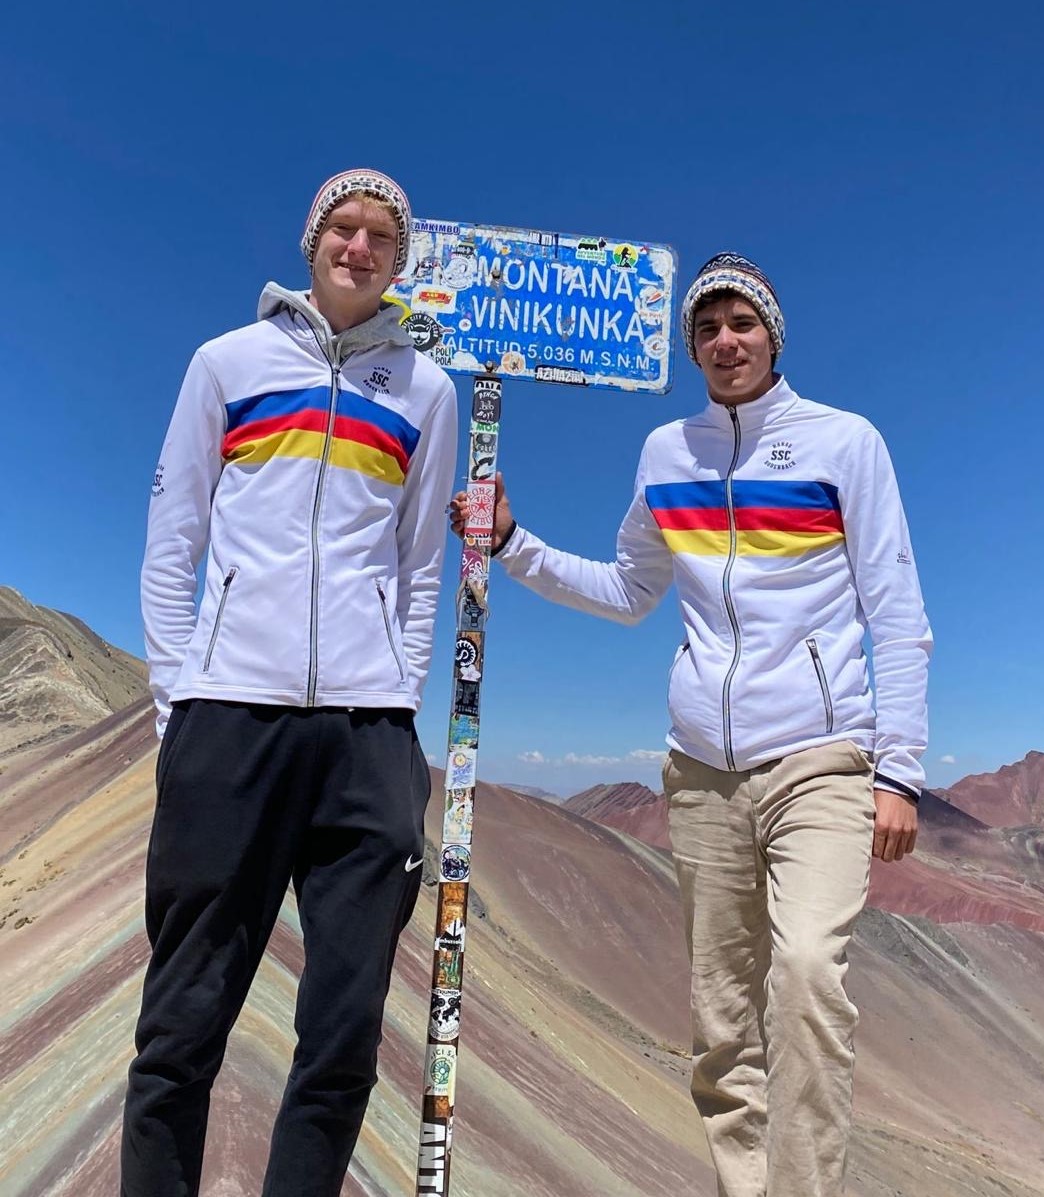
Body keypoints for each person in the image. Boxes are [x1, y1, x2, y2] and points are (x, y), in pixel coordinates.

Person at [450, 252, 931, 1196]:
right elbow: (630, 589)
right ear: (691, 348)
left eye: (740, 322)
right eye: (705, 328)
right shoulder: (669, 452)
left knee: (802, 977)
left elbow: (896, 609)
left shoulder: (845, 442)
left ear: (772, 334)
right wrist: (513, 545)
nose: (723, 340)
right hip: (700, 774)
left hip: (820, 759)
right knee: (720, 1019)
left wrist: (899, 771)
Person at [124, 169, 457, 1197]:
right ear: (313, 239)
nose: (358, 249)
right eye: (343, 229)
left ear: (401, 261)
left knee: (345, 1031)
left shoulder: (427, 391)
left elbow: (418, 570)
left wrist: (397, 703)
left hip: (367, 740)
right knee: (182, 1021)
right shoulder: (226, 363)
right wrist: (183, 699)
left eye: (380, 238)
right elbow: (174, 535)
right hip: (229, 725)